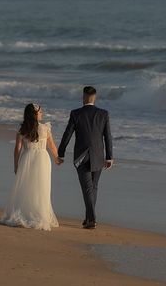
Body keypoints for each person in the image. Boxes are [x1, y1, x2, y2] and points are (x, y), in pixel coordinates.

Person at [58, 86, 113, 229]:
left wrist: (61, 153)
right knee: (93, 187)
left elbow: (67, 134)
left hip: (81, 156)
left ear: (83, 97)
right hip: (99, 156)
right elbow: (108, 137)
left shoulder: (76, 113)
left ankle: (91, 218)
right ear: (95, 97)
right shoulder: (103, 114)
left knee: (88, 188)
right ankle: (89, 218)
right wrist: (109, 157)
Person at [1, 103, 63, 230]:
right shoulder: (45, 128)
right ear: (34, 114)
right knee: (42, 187)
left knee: (27, 186)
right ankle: (40, 214)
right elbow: (51, 146)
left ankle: (26, 213)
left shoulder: (22, 130)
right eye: (40, 112)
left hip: (27, 158)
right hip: (43, 159)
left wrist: (16, 165)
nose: (42, 114)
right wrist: (57, 158)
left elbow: (17, 149)